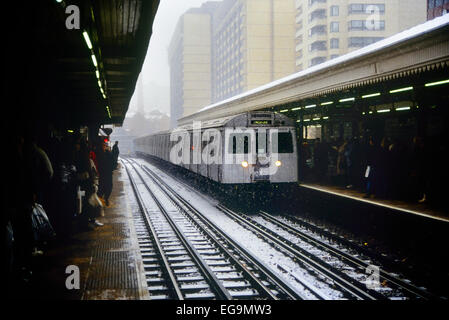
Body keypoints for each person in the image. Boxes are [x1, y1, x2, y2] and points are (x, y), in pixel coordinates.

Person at [97, 142, 114, 207]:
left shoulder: (108, 153)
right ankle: (102, 200)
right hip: (102, 173)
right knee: (102, 187)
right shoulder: (99, 153)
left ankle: (106, 198)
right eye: (103, 146)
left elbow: (112, 161)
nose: (104, 147)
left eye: (104, 146)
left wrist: (111, 169)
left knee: (109, 187)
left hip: (108, 173)